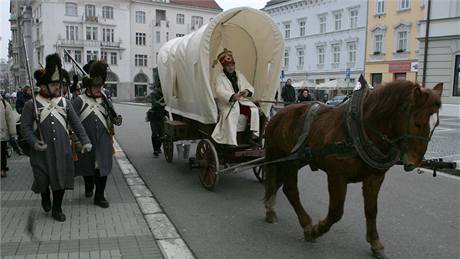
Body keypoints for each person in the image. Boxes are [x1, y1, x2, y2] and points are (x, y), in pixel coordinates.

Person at [21, 53, 92, 222]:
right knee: (43, 179)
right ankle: (45, 196)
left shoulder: (65, 103)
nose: (57, 87)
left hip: (62, 149)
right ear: (44, 85)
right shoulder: (31, 104)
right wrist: (34, 142)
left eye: (58, 84)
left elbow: (76, 124)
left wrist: (85, 141)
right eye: (54, 84)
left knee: (60, 180)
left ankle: (57, 208)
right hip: (41, 152)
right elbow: (25, 128)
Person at [72, 60, 122, 208]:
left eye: (100, 86)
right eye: (95, 86)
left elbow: (112, 116)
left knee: (103, 169)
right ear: (89, 86)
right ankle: (89, 187)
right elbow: (72, 121)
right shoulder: (79, 101)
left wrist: (116, 119)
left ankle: (99, 196)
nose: (98, 89)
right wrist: (77, 140)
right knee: (88, 169)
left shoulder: (105, 98)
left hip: (104, 140)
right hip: (87, 141)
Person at [212, 48, 259, 146]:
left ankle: (249, 135)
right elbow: (219, 91)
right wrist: (232, 96)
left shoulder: (239, 75)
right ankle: (231, 140)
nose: (230, 67)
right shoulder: (220, 78)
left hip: (241, 102)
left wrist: (246, 91)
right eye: (228, 66)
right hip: (227, 105)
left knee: (253, 110)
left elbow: (249, 86)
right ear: (224, 67)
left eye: (232, 65)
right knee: (231, 116)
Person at [0, 94, 18, 177]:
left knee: (2, 153)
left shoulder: (4, 104)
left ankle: (2, 169)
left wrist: (12, 133)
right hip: (2, 133)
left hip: (2, 134)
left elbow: (10, 119)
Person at [147, 83, 166, 157]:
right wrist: (161, 104)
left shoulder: (165, 94)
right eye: (160, 88)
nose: (161, 90)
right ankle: (155, 149)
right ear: (158, 88)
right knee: (155, 133)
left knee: (162, 135)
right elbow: (154, 103)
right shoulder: (153, 94)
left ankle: (158, 148)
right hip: (154, 117)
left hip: (162, 117)